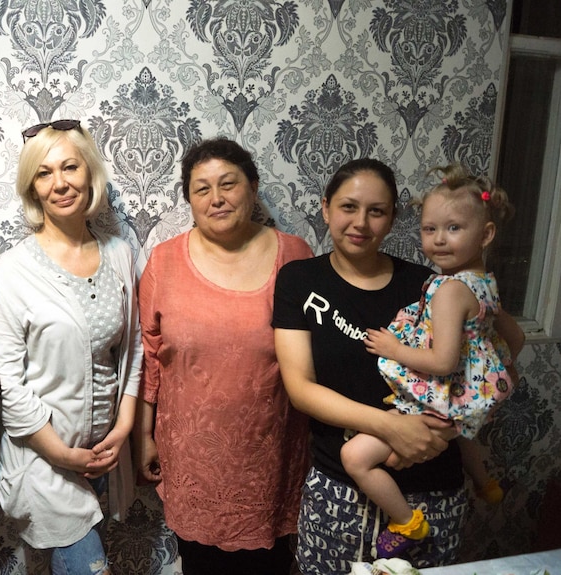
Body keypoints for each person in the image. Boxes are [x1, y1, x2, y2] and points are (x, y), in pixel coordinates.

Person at [273, 158, 470, 573]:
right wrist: (391, 427)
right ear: (326, 208)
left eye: (376, 211)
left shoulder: (429, 286)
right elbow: (301, 388)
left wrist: (435, 433)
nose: (361, 222)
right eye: (348, 207)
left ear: (392, 218)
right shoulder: (299, 280)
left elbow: (469, 371)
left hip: (430, 489)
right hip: (338, 492)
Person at [133, 137, 312, 575]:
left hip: (272, 454)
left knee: (270, 564)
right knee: (200, 564)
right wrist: (144, 433)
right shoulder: (165, 261)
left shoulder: (294, 256)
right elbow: (150, 358)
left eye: (228, 184)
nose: (217, 198)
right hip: (193, 458)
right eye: (202, 189)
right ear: (189, 200)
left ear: (252, 187)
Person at [0, 119, 141, 575]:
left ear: (89, 173)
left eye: (70, 167)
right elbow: (8, 383)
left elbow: (132, 351)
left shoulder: (118, 253)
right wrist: (59, 452)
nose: (60, 183)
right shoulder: (11, 271)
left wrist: (124, 426)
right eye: (44, 173)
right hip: (44, 461)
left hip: (108, 457)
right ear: (32, 188)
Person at [349, 163, 523, 559]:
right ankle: (485, 483)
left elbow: (443, 362)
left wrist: (394, 350)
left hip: (443, 400)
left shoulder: (449, 290)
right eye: (430, 229)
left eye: (454, 228)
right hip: (465, 404)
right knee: (463, 433)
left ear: (487, 234)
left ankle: (407, 523)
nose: (439, 240)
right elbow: (515, 337)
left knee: (356, 458)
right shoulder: (485, 285)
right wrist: (495, 373)